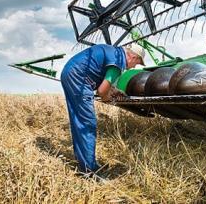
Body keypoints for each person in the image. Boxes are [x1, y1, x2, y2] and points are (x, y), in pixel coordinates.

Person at [60, 43, 145, 174]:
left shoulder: (114, 53)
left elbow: (100, 75)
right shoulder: (118, 63)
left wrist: (114, 91)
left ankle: (86, 163)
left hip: (72, 72)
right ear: (132, 57)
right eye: (136, 63)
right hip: (79, 78)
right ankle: (89, 171)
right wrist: (110, 100)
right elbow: (101, 91)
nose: (134, 67)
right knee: (86, 123)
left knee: (80, 121)